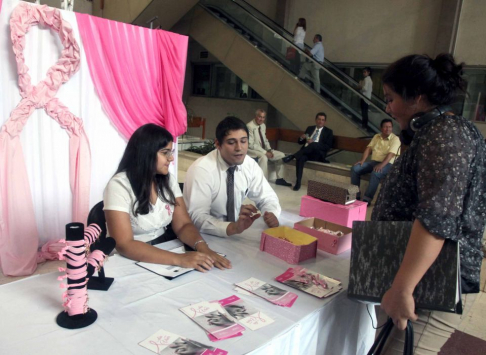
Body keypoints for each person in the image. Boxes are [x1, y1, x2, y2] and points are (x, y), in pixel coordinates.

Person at [372, 53, 486, 354]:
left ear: (417, 98)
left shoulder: (446, 136)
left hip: (430, 283)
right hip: (415, 278)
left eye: (391, 98)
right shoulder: (435, 134)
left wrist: (402, 288)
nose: (388, 108)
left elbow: (437, 220)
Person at [103, 124, 231, 272]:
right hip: (128, 260)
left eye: (171, 152)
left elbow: (183, 224)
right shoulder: (119, 185)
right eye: (165, 152)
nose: (171, 158)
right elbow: (124, 244)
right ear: (146, 153)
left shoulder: (167, 180)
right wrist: (179, 259)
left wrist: (203, 248)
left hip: (164, 248)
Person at [184, 116, 281, 237]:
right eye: (231, 142)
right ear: (218, 144)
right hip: (205, 235)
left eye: (243, 141)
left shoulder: (249, 165)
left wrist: (271, 214)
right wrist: (231, 228)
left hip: (236, 233)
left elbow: (268, 197)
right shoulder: (202, 169)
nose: (239, 148)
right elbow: (197, 217)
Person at [350, 118, 400, 205]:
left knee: (375, 173)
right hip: (374, 162)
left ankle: (367, 199)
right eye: (385, 127)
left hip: (388, 164)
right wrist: (362, 160)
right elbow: (368, 149)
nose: (388, 129)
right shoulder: (376, 136)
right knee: (355, 168)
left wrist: (381, 165)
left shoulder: (395, 139)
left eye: (390, 127)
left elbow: (391, 155)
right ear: (381, 128)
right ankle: (355, 195)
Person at [282, 112, 333, 191]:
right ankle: (298, 183)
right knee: (301, 158)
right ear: (316, 120)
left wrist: (315, 143)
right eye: (319, 119)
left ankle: (292, 156)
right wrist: (302, 138)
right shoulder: (310, 128)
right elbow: (300, 142)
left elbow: (327, 147)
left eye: (322, 120)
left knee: (313, 144)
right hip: (306, 152)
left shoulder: (328, 132)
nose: (320, 121)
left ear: (325, 122)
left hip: (318, 154)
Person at [247, 109, 291, 186]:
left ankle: (280, 179)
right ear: (256, 116)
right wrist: (265, 152)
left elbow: (265, 140)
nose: (261, 119)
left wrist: (269, 150)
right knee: (264, 157)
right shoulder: (249, 126)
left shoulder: (263, 125)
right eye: (260, 117)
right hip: (252, 150)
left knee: (281, 155)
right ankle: (263, 182)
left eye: (263, 117)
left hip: (263, 149)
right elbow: (251, 144)